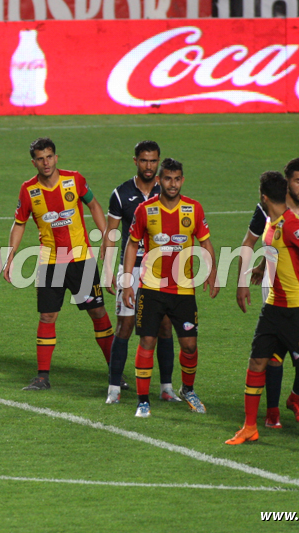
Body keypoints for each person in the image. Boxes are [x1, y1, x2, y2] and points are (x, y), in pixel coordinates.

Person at [226, 171, 299, 449]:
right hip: (274, 308)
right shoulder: (272, 222)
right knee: (257, 362)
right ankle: (249, 427)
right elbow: (275, 250)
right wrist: (260, 267)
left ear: (263, 196)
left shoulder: (291, 224)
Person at [4, 137, 114, 391]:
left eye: (49, 157)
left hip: (81, 260)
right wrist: (10, 257)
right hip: (50, 263)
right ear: (34, 162)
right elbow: (19, 223)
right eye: (40, 158)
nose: (46, 162)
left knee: (98, 312)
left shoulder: (74, 180)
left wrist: (107, 238)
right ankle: (42, 377)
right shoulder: (28, 190)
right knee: (47, 315)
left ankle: (115, 371)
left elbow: (94, 205)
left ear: (56, 157)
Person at [120, 158, 219, 417]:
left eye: (176, 179)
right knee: (147, 341)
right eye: (167, 179)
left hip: (183, 290)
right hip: (151, 288)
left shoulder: (193, 209)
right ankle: (143, 401)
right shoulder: (145, 210)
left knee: (189, 345)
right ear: (159, 180)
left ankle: (188, 389)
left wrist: (212, 272)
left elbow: (206, 243)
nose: (172, 184)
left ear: (182, 180)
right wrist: (127, 281)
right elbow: (132, 244)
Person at [236, 157, 299, 429]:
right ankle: (272, 411)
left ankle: (296, 397)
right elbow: (253, 242)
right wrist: (248, 276)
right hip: (275, 281)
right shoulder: (267, 208)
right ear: (287, 183)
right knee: (274, 351)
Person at [100, 140, 180, 402]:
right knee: (125, 326)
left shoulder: (166, 190)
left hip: (160, 271)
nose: (149, 166)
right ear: (135, 161)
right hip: (131, 268)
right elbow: (111, 234)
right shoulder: (121, 193)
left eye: (153, 161)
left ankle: (166, 388)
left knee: (165, 327)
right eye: (144, 160)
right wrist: (109, 271)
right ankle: (114, 389)